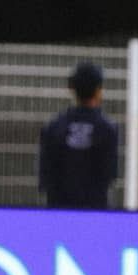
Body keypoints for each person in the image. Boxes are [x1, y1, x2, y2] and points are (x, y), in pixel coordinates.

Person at [38, 62, 121, 210]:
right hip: (94, 210)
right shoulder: (107, 129)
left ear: (72, 89)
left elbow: (45, 175)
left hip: (59, 209)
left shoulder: (54, 127)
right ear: (98, 91)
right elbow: (110, 174)